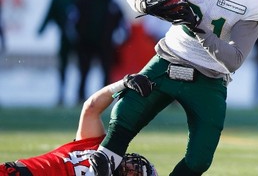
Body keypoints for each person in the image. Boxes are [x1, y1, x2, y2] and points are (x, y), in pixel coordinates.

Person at [90, 0, 258, 175]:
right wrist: (146, 4)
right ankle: (100, 168)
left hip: (210, 77)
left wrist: (197, 27)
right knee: (125, 113)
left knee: (200, 158)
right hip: (169, 59)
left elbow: (234, 59)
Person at [0, 73, 158, 176]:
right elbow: (91, 109)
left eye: (136, 174)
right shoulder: (99, 146)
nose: (130, 169)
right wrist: (122, 84)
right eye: (135, 166)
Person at [38, 0, 86, 105]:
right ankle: (61, 93)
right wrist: (42, 28)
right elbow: (51, 12)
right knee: (63, 65)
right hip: (64, 36)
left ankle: (80, 94)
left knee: (82, 66)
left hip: (81, 38)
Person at [76, 0, 129, 102]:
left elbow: (122, 23)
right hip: (87, 43)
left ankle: (105, 98)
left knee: (106, 72)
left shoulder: (112, 3)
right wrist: (80, 35)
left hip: (105, 44)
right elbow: (76, 20)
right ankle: (80, 96)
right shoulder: (87, 1)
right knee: (84, 71)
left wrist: (121, 39)